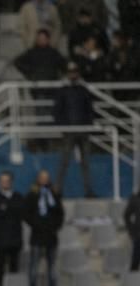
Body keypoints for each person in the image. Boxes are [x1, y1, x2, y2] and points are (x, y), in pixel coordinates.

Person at [53, 63, 96, 196]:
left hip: (83, 131)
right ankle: (58, 190)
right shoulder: (63, 91)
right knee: (64, 162)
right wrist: (64, 127)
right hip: (69, 132)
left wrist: (88, 125)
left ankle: (88, 191)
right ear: (67, 74)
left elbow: (90, 110)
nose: (73, 74)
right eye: (70, 72)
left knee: (86, 163)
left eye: (75, 72)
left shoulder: (83, 90)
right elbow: (57, 111)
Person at [26, 170, 63, 286]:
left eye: (46, 178)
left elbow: (60, 213)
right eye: (42, 178)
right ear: (38, 179)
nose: (44, 180)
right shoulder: (32, 194)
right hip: (37, 235)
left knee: (52, 265)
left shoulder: (54, 194)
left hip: (51, 235)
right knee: (34, 265)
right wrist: (36, 225)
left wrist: (54, 227)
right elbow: (27, 213)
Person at [0, 171, 25, 286]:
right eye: (2, 181)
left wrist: (6, 208)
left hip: (15, 239)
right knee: (0, 266)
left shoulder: (18, 197)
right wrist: (8, 209)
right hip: (0, 239)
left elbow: (20, 212)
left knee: (14, 266)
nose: (4, 183)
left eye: (7, 181)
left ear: (11, 182)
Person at [126, 189, 140, 272]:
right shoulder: (135, 199)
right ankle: (132, 281)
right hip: (138, 235)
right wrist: (132, 230)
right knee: (135, 261)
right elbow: (126, 215)